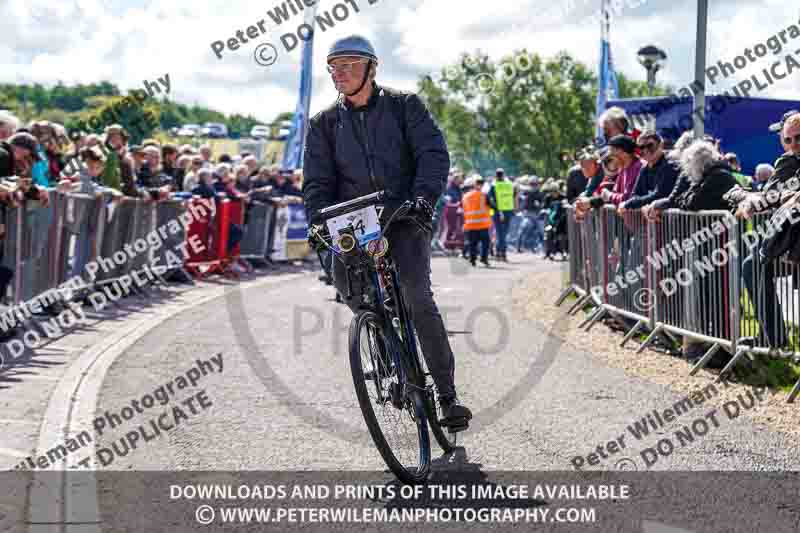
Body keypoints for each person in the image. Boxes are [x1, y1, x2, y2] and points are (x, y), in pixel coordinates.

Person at [303, 34, 471, 429]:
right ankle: (384, 345)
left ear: (372, 68)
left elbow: (432, 155)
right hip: (353, 222)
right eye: (333, 66)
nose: (339, 73)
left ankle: (446, 396)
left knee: (416, 296)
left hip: (403, 213)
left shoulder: (404, 106)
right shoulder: (323, 123)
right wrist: (316, 219)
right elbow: (316, 182)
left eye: (348, 64)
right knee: (354, 293)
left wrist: (423, 199)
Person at [618, 131, 680, 213]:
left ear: (661, 145)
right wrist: (642, 204)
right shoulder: (644, 167)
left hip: (672, 220)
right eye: (641, 147)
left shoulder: (670, 165)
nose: (646, 150)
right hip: (653, 220)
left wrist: (629, 204)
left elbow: (659, 195)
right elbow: (635, 194)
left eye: (650, 145)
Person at [461, 176, 491, 267]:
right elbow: (491, 205)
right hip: (482, 224)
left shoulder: (465, 196)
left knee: (472, 244)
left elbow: (463, 208)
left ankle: (472, 260)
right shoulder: (484, 195)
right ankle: (483, 259)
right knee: (485, 243)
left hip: (470, 224)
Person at [487, 168, 514, 262]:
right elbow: (514, 196)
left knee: (500, 233)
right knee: (504, 234)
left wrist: (494, 209)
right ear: (503, 175)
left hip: (498, 212)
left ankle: (500, 253)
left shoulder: (494, 185)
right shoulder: (510, 185)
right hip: (508, 211)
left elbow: (489, 199)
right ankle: (502, 253)